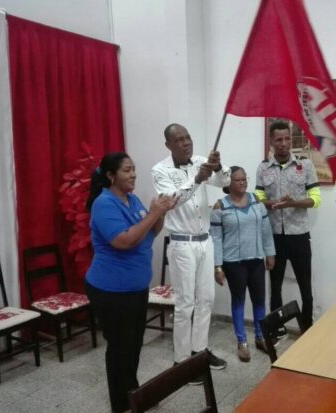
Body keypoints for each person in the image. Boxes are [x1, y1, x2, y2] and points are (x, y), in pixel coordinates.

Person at [84, 152, 176, 413]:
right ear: (111, 176)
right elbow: (123, 241)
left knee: (134, 344)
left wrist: (161, 213)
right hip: (111, 290)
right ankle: (120, 405)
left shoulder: (132, 200)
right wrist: (153, 213)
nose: (133, 174)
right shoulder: (104, 204)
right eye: (127, 170)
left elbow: (149, 234)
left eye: (134, 169)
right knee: (119, 348)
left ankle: (133, 393)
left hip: (135, 289)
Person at [152, 123, 230, 371]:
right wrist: (196, 180)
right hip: (182, 243)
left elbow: (224, 182)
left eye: (188, 137)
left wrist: (218, 167)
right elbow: (172, 201)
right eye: (179, 140)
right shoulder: (159, 170)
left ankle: (200, 351)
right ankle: (182, 361)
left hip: (205, 241)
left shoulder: (199, 161)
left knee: (206, 299)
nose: (186, 143)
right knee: (186, 303)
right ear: (168, 145)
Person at [255, 121, 322, 336]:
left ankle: (307, 327)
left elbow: (316, 200)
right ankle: (277, 328)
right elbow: (258, 198)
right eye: (279, 140)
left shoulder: (306, 165)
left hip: (299, 235)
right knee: (275, 286)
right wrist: (272, 203)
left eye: (287, 139)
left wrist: (293, 203)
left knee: (305, 286)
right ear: (272, 141)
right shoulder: (263, 167)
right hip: (275, 237)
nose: (284, 144)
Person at [210, 166, 275, 362]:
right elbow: (216, 239)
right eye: (238, 180)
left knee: (259, 300)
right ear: (228, 183)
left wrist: (270, 253)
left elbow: (266, 230)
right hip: (233, 263)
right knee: (238, 300)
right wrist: (218, 266)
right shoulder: (220, 206)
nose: (243, 182)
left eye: (244, 179)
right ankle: (242, 342)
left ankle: (261, 337)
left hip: (255, 259)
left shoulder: (257, 201)